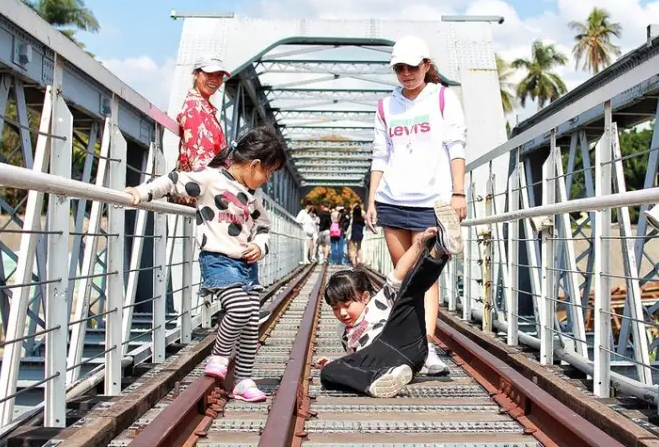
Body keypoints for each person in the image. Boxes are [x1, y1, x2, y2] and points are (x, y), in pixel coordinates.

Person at [125, 126, 287, 402]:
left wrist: (260, 246)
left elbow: (263, 227)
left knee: (250, 323)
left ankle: (243, 380)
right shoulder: (211, 180)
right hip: (219, 261)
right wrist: (142, 192)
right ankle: (219, 356)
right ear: (255, 165)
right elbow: (174, 180)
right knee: (239, 308)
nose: (267, 179)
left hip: (247, 266)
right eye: (268, 172)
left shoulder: (252, 197)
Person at [365, 35, 467, 376]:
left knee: (425, 277)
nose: (406, 74)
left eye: (411, 67)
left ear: (426, 65)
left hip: (430, 202)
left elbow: (456, 145)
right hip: (392, 201)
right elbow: (380, 155)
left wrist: (458, 193)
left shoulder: (443, 98)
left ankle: (427, 346)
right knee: (404, 277)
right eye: (399, 68)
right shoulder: (385, 106)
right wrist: (372, 200)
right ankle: (409, 346)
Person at [316, 203, 462, 397]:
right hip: (388, 363)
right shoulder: (343, 332)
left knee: (409, 291)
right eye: (335, 308)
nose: (342, 313)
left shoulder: (379, 302)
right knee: (327, 372)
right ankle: (379, 381)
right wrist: (335, 364)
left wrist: (419, 244)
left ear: (365, 297)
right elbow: (357, 360)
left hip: (405, 343)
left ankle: (439, 249)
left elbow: (399, 271)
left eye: (347, 305)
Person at [173, 55, 230, 206]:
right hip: (203, 195)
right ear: (195, 74)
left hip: (205, 191)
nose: (215, 80)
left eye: (219, 76)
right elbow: (200, 161)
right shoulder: (194, 108)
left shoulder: (205, 109)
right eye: (209, 74)